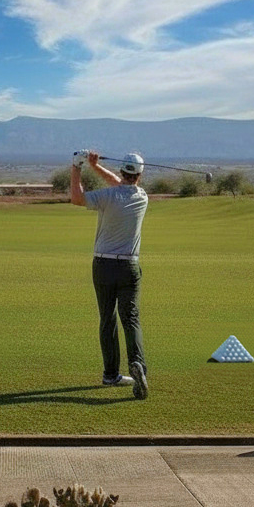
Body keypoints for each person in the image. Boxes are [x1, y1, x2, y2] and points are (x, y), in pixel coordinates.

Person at [70, 150, 149, 399]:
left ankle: (111, 374)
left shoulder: (107, 197)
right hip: (129, 267)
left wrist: (77, 166)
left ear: (122, 172)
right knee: (131, 319)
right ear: (140, 175)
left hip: (103, 266)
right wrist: (95, 166)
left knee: (108, 319)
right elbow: (123, 185)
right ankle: (138, 366)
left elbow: (76, 198)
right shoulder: (142, 197)